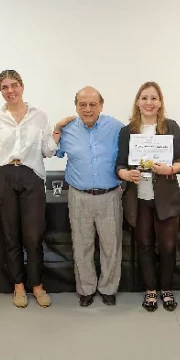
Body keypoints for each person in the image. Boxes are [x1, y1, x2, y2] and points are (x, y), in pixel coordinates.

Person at [0, 70, 58, 308]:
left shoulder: (39, 115)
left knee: (33, 235)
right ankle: (18, 285)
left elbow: (48, 151)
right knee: (10, 234)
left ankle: (37, 285)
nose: (10, 90)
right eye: (4, 87)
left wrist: (56, 133)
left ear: (22, 86)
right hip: (3, 175)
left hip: (31, 175)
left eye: (14, 85)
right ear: (0, 90)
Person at [116, 81, 180, 312]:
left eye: (154, 98)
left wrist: (171, 168)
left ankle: (166, 289)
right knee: (144, 245)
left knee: (168, 246)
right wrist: (126, 174)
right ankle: (150, 290)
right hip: (138, 199)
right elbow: (119, 165)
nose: (149, 102)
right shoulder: (127, 131)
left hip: (165, 199)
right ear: (137, 102)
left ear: (160, 102)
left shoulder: (171, 127)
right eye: (144, 98)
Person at [53, 86, 124, 307]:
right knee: (82, 245)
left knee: (111, 246)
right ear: (76, 107)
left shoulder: (117, 128)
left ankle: (108, 288)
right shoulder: (67, 130)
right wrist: (55, 129)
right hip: (79, 196)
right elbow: (51, 151)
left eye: (93, 104)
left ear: (101, 105)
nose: (88, 109)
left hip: (110, 196)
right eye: (82, 104)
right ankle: (86, 289)